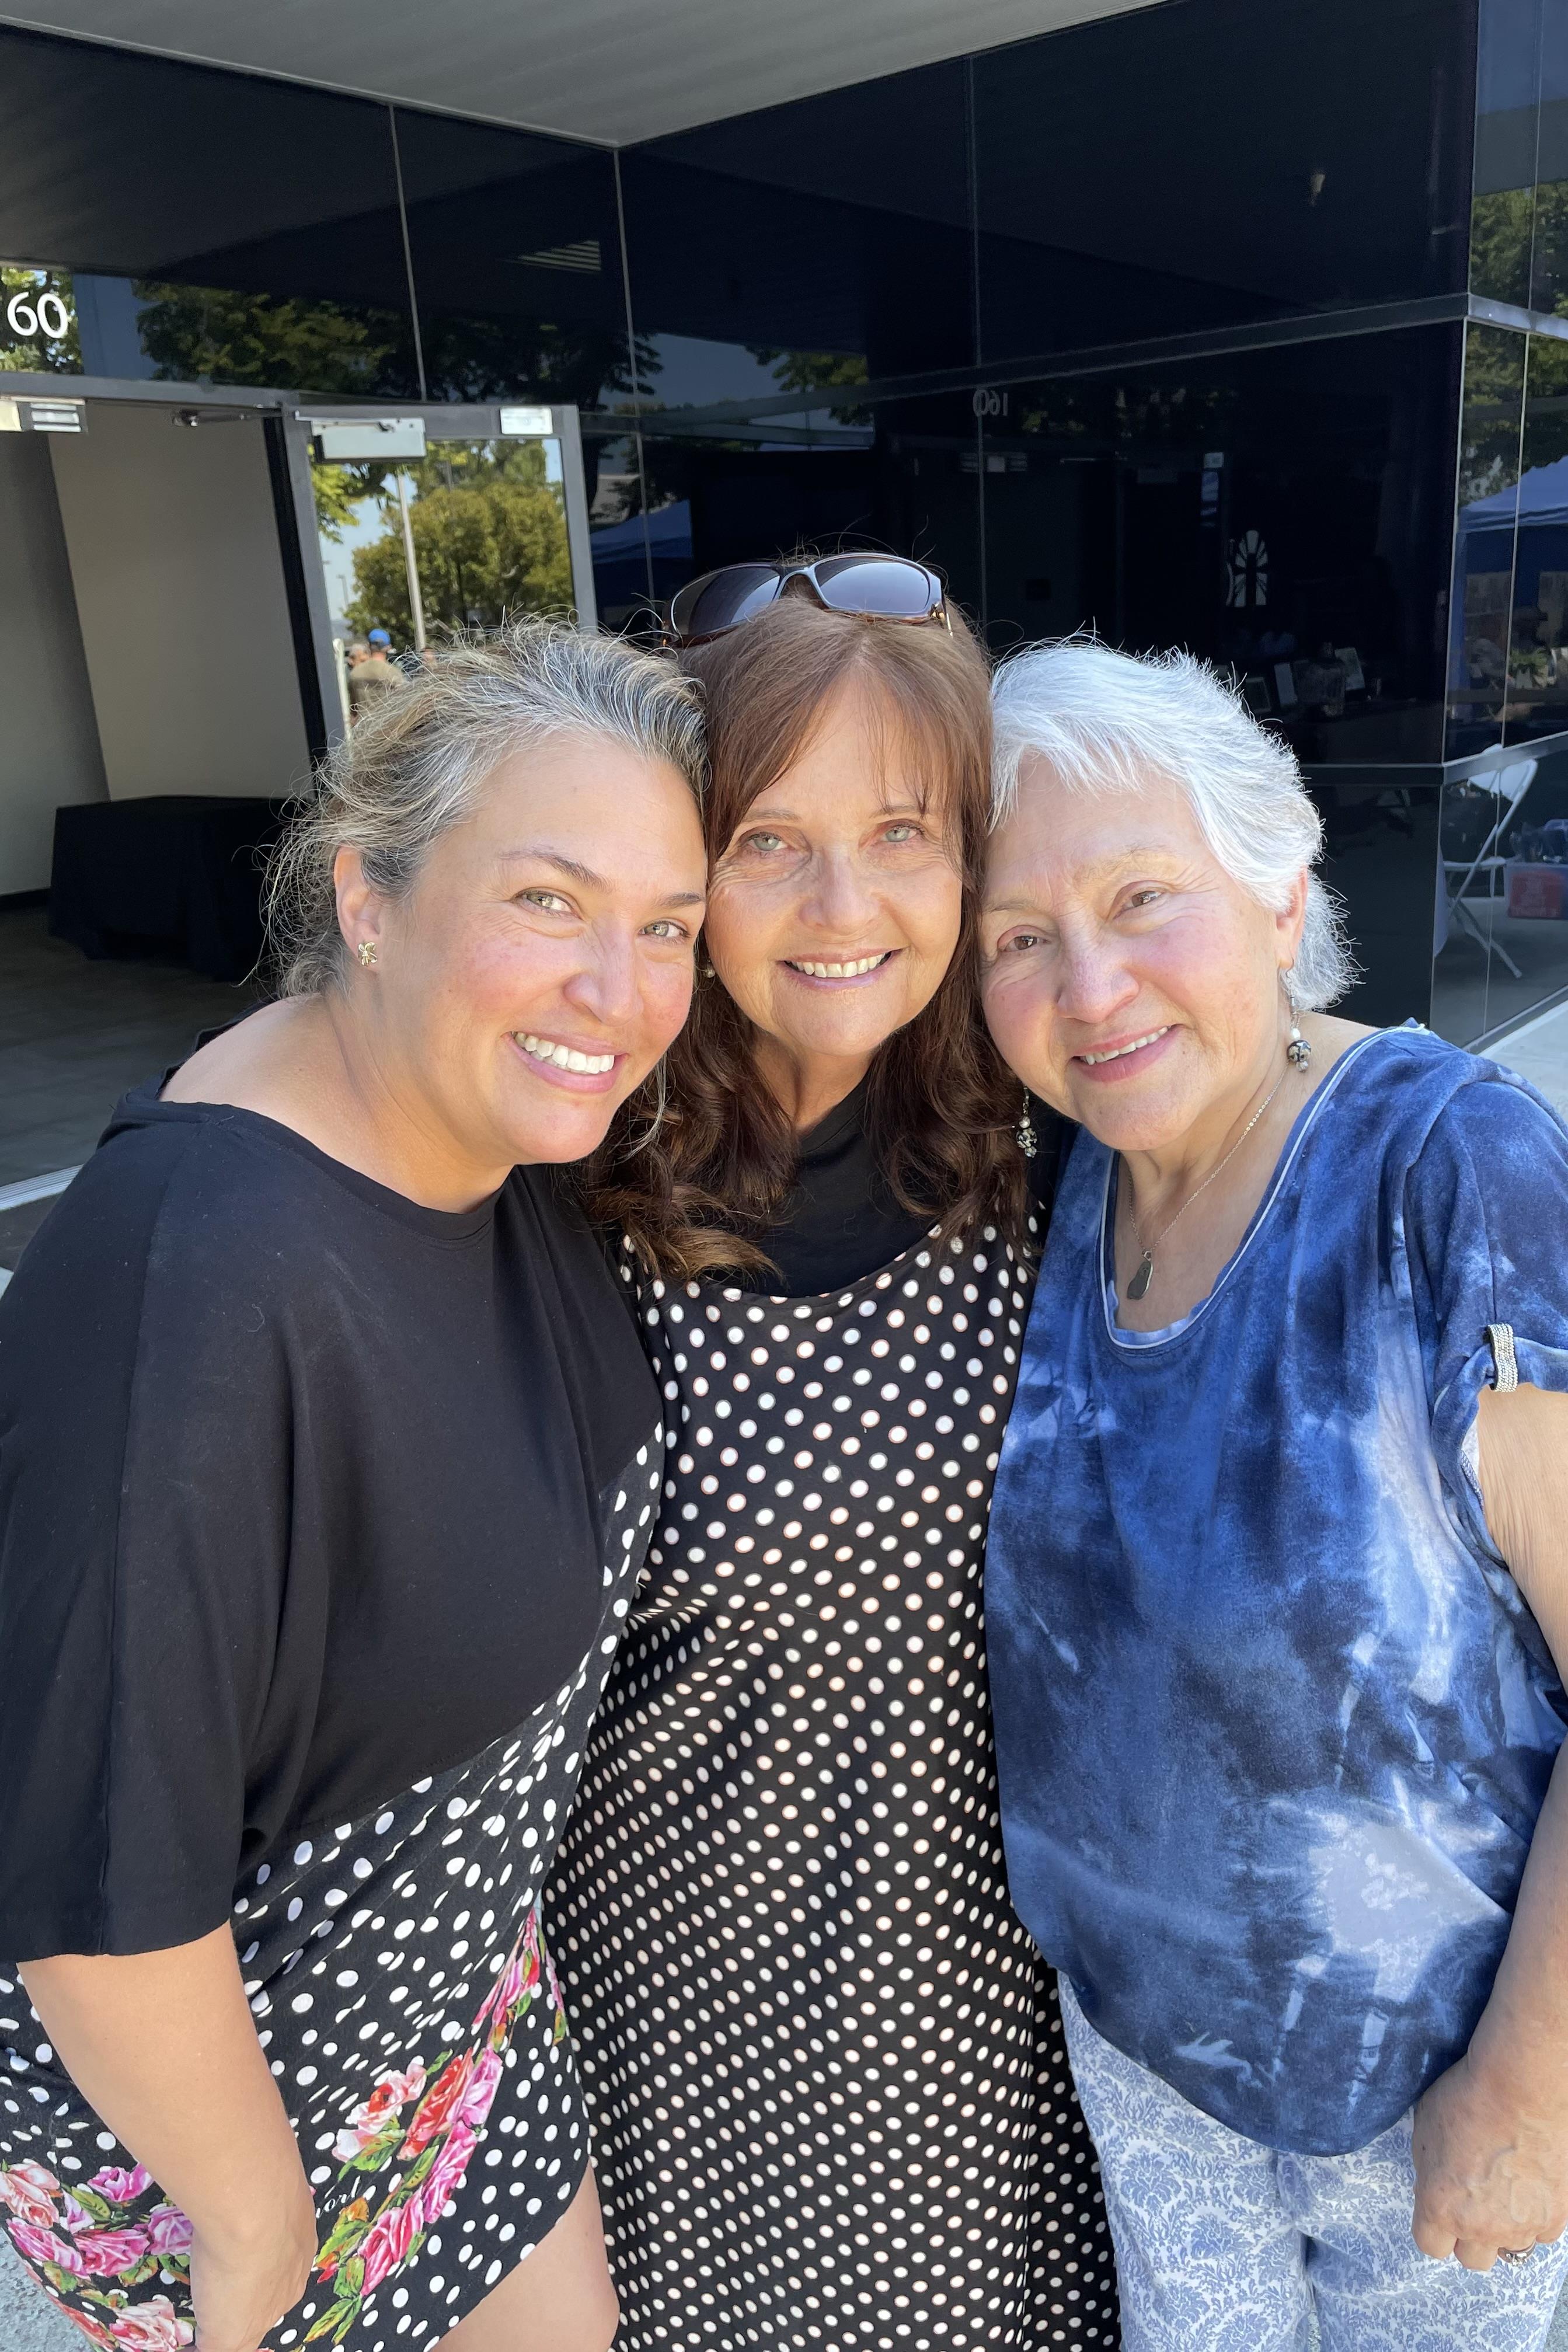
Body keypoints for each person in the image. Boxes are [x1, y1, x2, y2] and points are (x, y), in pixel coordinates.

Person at [0, 625, 708, 2352]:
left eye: (667, 924)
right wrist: (247, 2228)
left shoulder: (500, 1144)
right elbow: (93, 1884)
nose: (618, 991)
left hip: (459, 2027)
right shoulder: (198, 1287)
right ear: (367, 900)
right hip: (234, 2132)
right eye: (546, 899)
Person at [548, 559, 1119, 2351]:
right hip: (690, 2036)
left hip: (1009, 2027)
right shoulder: (552, 1188)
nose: (844, 900)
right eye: (769, 838)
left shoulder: (1050, 1148)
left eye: (902, 830)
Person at [978, 638, 1568, 2351]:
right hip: (1148, 2064)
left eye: (1140, 894)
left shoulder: (1449, 1169)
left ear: (1277, 878)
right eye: (1019, 936)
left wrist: (1531, 2084)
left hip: (1434, 2081)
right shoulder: (1079, 1179)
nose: (1089, 986)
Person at [347, 633, 408, 719]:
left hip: (363, 727)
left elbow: (353, 709)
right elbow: (403, 704)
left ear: (368, 646)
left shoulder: (355, 673)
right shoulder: (394, 673)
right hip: (388, 726)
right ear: (389, 647)